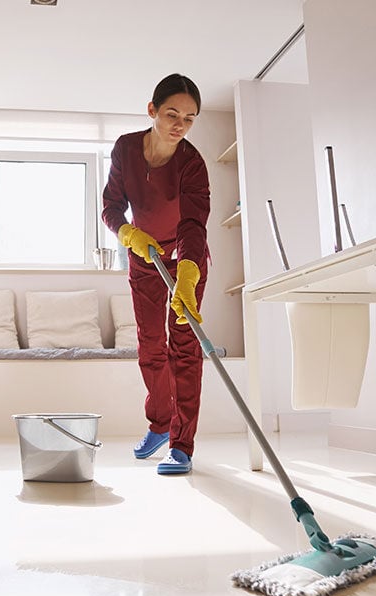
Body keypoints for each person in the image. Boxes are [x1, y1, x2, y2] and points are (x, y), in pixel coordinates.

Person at [102, 73, 210, 475]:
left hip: (185, 260)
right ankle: (160, 425)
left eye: (190, 118)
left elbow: (194, 224)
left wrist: (187, 272)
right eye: (171, 114)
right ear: (152, 111)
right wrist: (127, 232)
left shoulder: (192, 163)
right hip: (142, 253)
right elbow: (111, 205)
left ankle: (181, 445)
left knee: (184, 345)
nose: (180, 125)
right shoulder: (126, 149)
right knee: (150, 344)